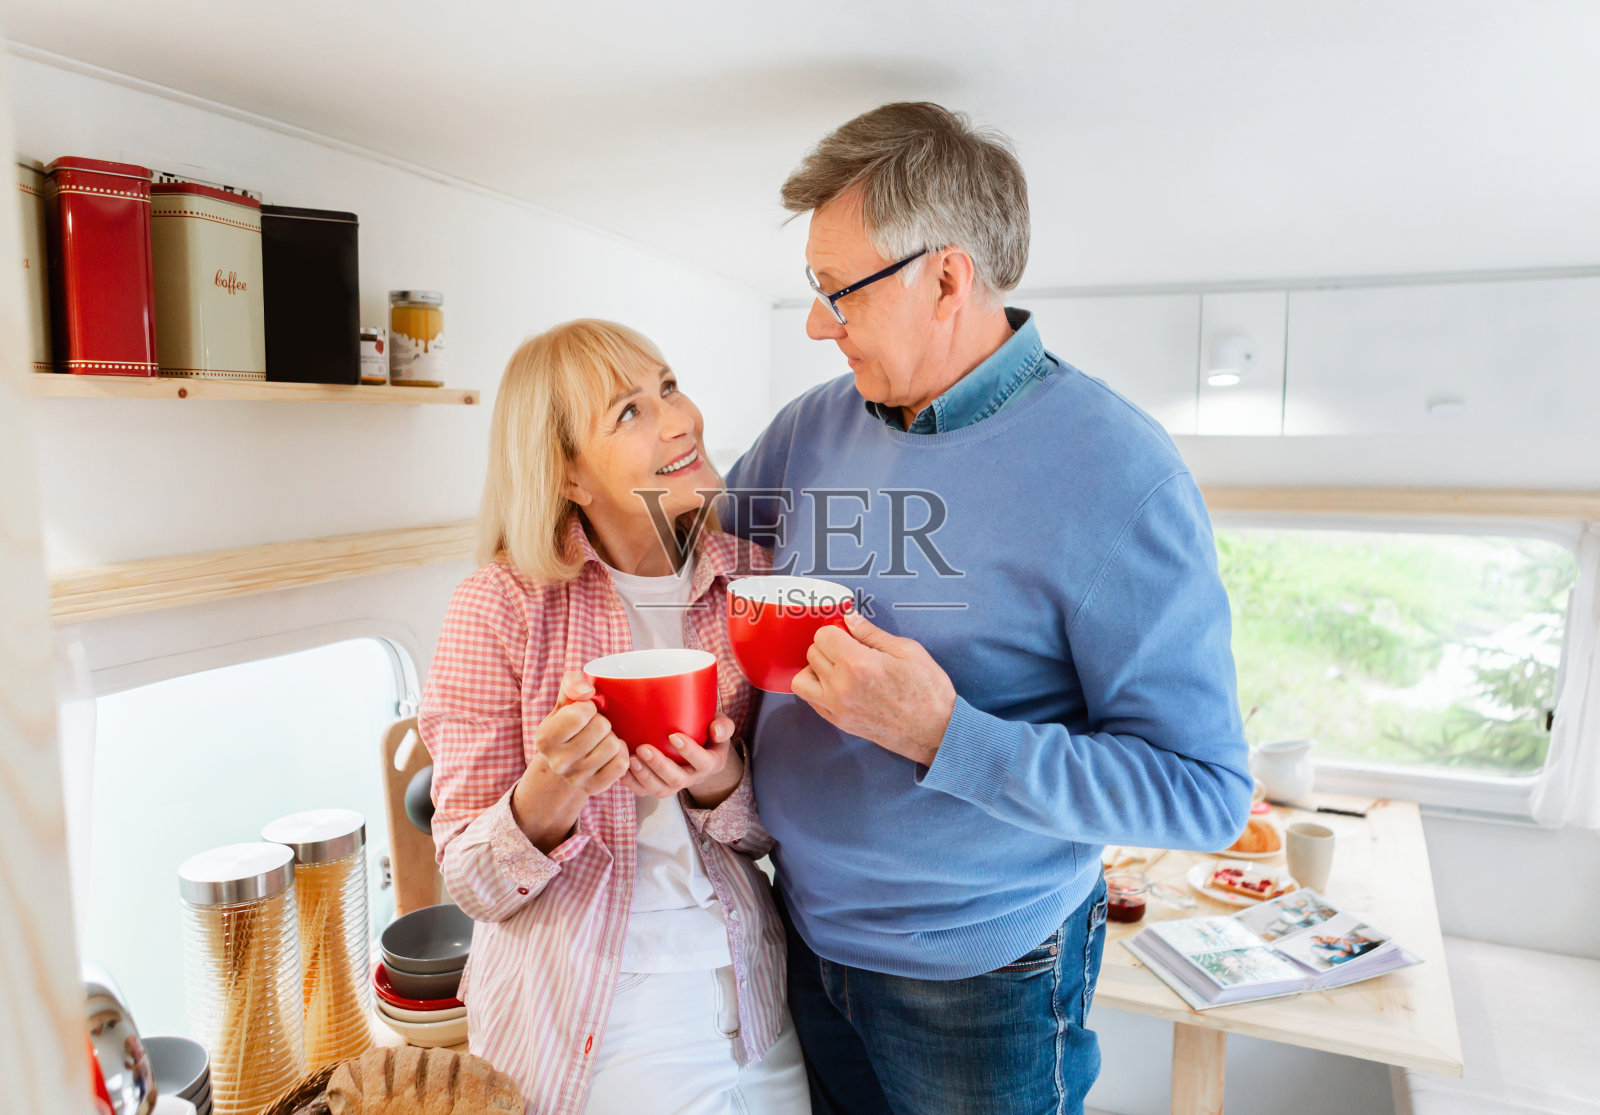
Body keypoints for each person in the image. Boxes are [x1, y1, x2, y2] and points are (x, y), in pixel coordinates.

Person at [722, 103, 1252, 1114]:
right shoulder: (810, 426)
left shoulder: (1119, 474)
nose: (813, 322)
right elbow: (699, 553)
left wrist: (942, 733)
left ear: (946, 280)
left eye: (835, 290)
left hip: (981, 986)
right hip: (797, 936)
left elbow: (1205, 792)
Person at [420, 320, 810, 1115]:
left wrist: (719, 779)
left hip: (750, 985)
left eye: (668, 387)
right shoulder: (500, 607)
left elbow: (781, 829)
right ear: (568, 475)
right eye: (628, 412)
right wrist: (552, 788)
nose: (678, 420)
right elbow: (472, 881)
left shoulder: (755, 580)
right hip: (594, 1005)